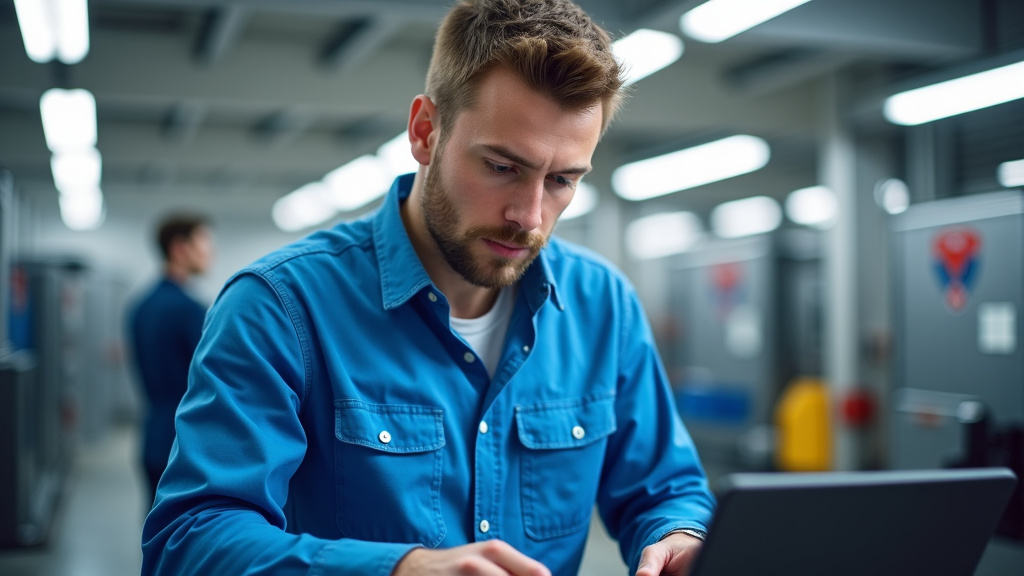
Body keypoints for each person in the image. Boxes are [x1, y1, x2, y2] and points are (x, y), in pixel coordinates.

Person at [142, 1, 715, 575]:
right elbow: (190, 541)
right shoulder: (279, 308)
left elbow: (664, 486)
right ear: (424, 131)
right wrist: (398, 570)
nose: (530, 215)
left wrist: (679, 535)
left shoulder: (602, 305)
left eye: (562, 180)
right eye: (501, 167)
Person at [129, 213, 214, 507]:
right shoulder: (189, 310)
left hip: (152, 435)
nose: (211, 253)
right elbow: (212, 378)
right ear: (180, 248)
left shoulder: (141, 305)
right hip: (184, 444)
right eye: (204, 244)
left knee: (157, 533)